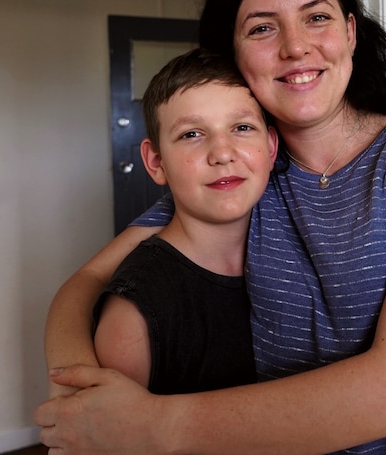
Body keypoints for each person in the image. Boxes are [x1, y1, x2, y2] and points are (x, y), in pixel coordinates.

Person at [35, 0, 386, 455]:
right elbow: (88, 281)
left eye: (316, 18)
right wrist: (77, 401)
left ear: (349, 31)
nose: (295, 46)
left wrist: (152, 424)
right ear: (233, 55)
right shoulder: (247, 173)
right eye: (262, 27)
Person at [93, 49, 277, 395]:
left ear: (270, 147)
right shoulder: (133, 315)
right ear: (156, 162)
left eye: (242, 127)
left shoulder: (295, 258)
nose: (222, 153)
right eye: (192, 134)